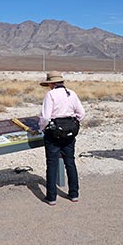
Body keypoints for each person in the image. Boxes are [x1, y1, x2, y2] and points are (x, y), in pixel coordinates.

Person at [38, 71, 85, 206]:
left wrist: (42, 128)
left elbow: (46, 117)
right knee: (70, 162)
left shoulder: (50, 95)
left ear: (51, 83)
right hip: (69, 132)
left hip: (53, 134)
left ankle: (51, 197)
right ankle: (74, 194)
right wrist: (73, 122)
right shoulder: (72, 93)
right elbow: (81, 113)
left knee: (52, 164)